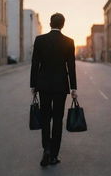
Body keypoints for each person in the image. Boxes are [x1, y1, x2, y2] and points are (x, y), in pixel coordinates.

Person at [30, 13, 77, 167]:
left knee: (45, 119)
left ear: (50, 23)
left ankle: (46, 150)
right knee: (57, 120)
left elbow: (35, 64)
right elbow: (71, 67)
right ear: (63, 25)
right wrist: (73, 87)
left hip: (43, 86)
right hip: (60, 87)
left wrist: (33, 85)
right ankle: (54, 155)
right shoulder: (68, 42)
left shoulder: (40, 40)